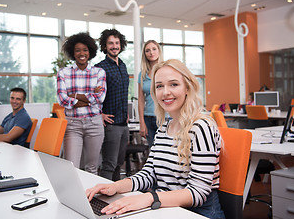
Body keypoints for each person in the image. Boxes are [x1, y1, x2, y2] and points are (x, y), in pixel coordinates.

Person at [86, 59, 225, 219]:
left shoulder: (201, 127)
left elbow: (198, 193)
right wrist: (115, 186)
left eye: (173, 84)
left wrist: (148, 198)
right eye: (159, 86)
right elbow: (149, 173)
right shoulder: (164, 127)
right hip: (166, 207)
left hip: (198, 213)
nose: (165, 92)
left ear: (187, 87)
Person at [57, 32, 106, 175]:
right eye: (78, 50)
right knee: (71, 168)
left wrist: (75, 96)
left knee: (92, 168)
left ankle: (91, 197)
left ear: (90, 52)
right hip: (73, 125)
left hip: (94, 124)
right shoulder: (63, 73)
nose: (82, 53)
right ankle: (74, 197)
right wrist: (90, 99)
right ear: (73, 53)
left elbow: (100, 98)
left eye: (85, 50)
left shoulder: (99, 72)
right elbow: (63, 100)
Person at [95, 29, 129, 181]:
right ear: (105, 46)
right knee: (109, 164)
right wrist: (99, 114)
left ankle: (116, 194)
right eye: (110, 43)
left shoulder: (123, 66)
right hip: (110, 124)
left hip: (123, 123)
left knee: (118, 164)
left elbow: (123, 92)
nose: (114, 46)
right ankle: (103, 198)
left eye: (117, 43)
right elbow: (92, 95)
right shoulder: (99, 67)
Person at [138, 40, 163, 146]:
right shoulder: (142, 74)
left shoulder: (166, 70)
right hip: (148, 119)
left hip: (165, 117)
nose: (151, 53)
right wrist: (142, 122)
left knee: (167, 151)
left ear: (159, 51)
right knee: (153, 153)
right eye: (147, 50)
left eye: (154, 49)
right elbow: (140, 99)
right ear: (144, 54)